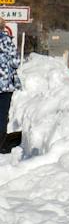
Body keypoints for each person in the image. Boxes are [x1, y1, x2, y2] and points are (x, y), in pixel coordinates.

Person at [0, 23, 20, 154]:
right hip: (5, 84)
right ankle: (1, 143)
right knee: (2, 114)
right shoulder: (7, 41)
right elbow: (15, 62)